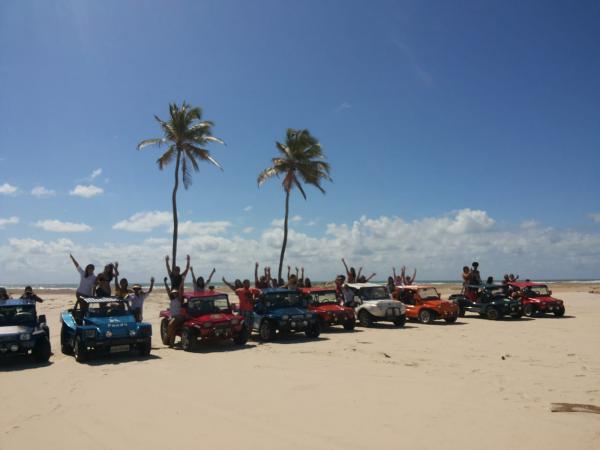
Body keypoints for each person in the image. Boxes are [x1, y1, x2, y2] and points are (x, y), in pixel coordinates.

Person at [166, 278, 186, 347]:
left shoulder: (179, 299)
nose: (174, 294)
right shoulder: (172, 299)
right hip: (173, 316)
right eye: (173, 293)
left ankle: (167, 338)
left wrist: (182, 282)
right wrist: (165, 283)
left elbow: (180, 289)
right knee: (173, 329)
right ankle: (171, 344)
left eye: (175, 293)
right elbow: (168, 291)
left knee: (170, 325)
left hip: (178, 316)